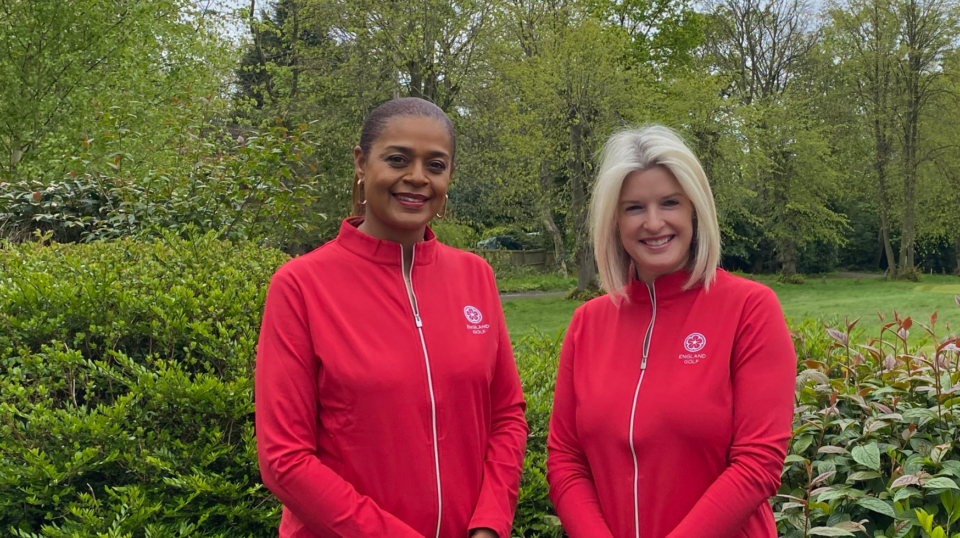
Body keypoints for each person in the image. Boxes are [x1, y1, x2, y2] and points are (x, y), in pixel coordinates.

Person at [256, 97, 528, 538]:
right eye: (398, 159)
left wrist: (490, 523)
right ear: (361, 164)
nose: (417, 178)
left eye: (435, 165)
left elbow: (506, 415)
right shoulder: (302, 286)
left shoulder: (475, 275)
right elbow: (284, 459)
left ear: (449, 177)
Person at [546, 125, 796, 538]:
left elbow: (758, 463)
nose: (654, 222)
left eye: (669, 203)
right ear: (614, 220)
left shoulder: (750, 309)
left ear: (694, 210)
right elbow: (566, 459)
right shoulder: (587, 324)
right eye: (634, 208)